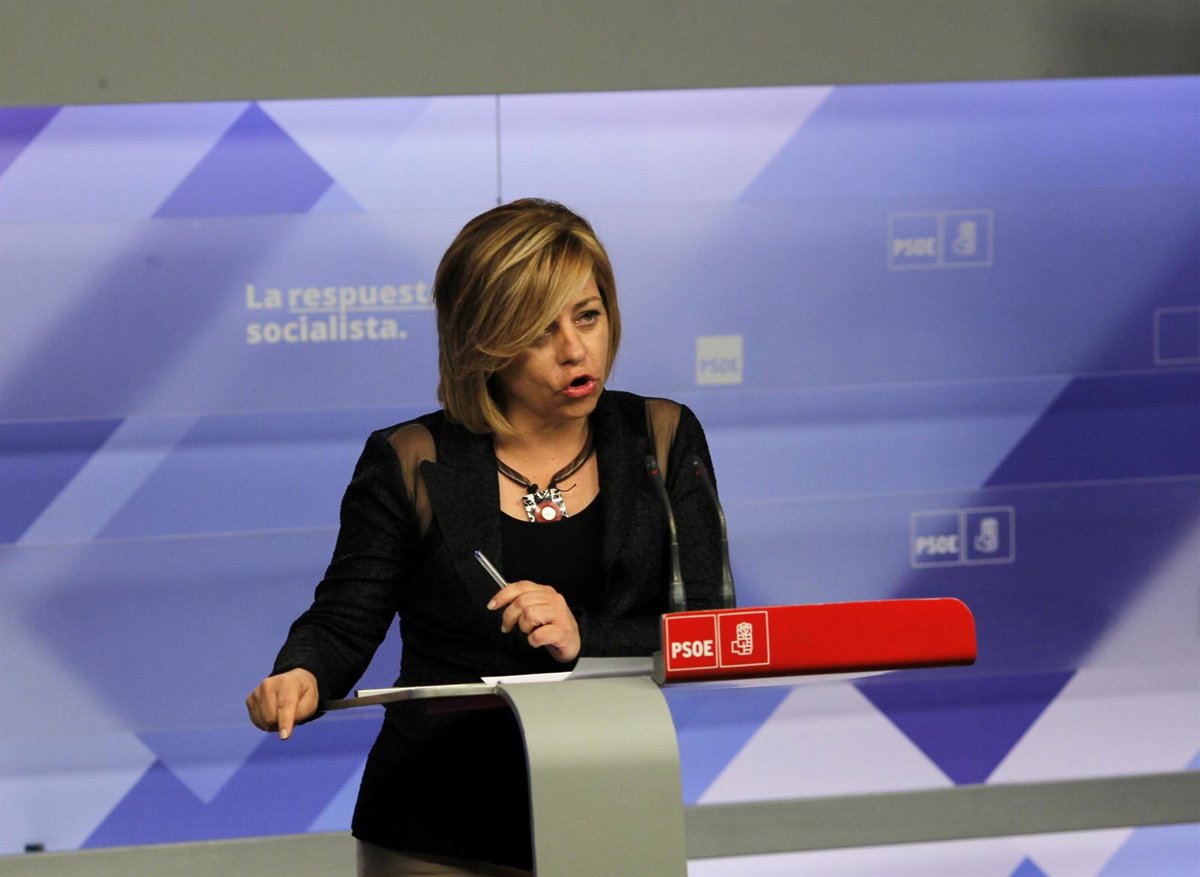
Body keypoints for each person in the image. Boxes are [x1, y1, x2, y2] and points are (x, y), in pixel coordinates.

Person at [246, 198, 723, 876]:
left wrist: (586, 636)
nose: (575, 350)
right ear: (485, 343)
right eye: (539, 331)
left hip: (614, 803)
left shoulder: (662, 437)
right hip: (437, 823)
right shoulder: (411, 459)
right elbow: (344, 621)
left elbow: (710, 629)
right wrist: (301, 673)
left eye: (588, 316)